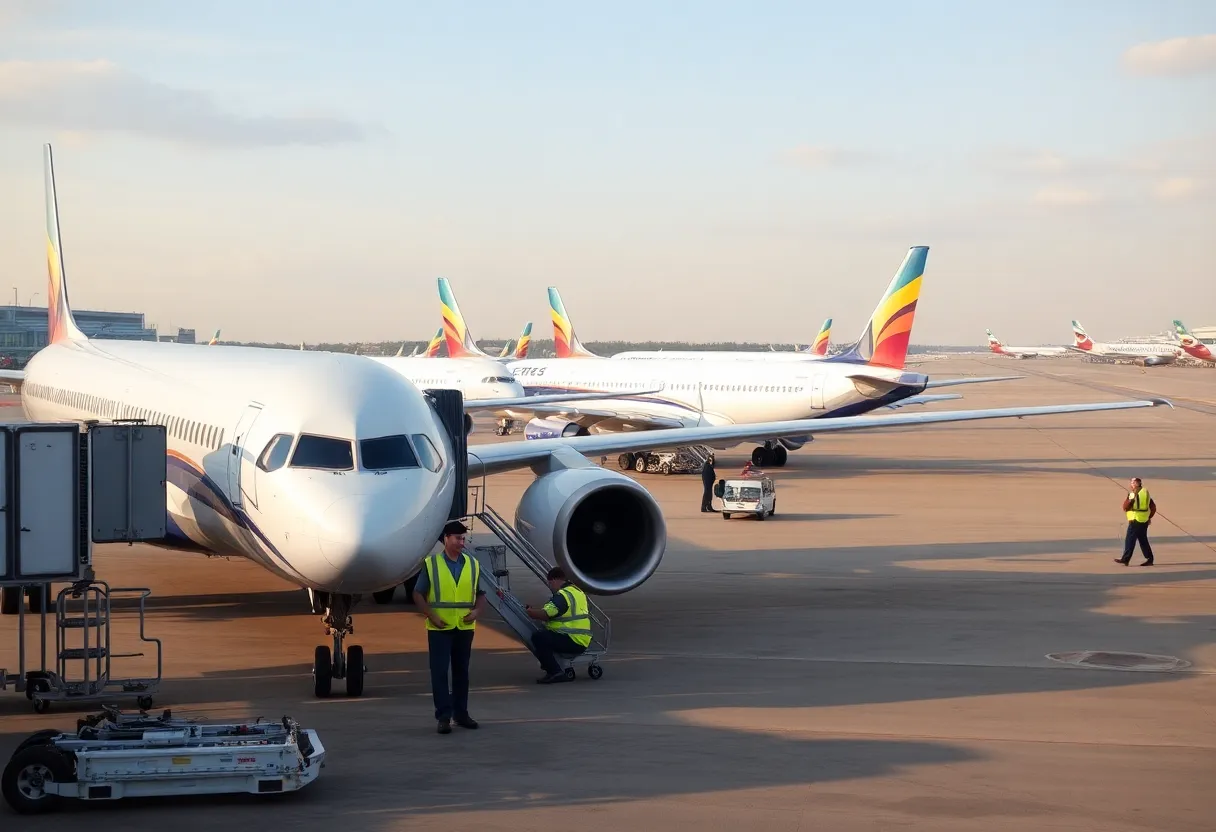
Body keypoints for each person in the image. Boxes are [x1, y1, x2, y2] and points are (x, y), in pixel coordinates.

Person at [412, 520, 488, 733]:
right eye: (457, 538)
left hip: (464, 628)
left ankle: (461, 714)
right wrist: (431, 615)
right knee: (439, 672)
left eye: (463, 539)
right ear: (446, 539)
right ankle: (444, 716)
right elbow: (418, 593)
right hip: (439, 628)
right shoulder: (431, 564)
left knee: (461, 672)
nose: (461, 543)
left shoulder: (473, 565)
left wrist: (476, 612)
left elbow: (481, 595)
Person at [525, 567, 593, 684]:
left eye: (550, 583)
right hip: (581, 639)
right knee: (544, 635)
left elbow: (547, 614)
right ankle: (551, 666)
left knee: (539, 637)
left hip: (573, 639)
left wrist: (531, 612)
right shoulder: (577, 592)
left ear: (555, 580)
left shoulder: (563, 595)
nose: (550, 586)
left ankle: (555, 672)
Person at [1115, 477, 1156, 566]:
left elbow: (1125, 507)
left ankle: (1126, 559)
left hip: (1135, 520)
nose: (1131, 485)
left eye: (1132, 483)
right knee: (1143, 540)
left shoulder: (1133, 494)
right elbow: (1153, 507)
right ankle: (1150, 559)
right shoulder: (1145, 493)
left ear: (1134, 484)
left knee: (1130, 540)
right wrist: (1149, 517)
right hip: (1144, 520)